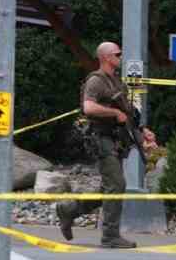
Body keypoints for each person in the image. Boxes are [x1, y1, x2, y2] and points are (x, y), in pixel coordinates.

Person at [57, 42, 157, 249]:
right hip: (101, 139)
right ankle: (110, 236)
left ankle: (69, 210)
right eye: (117, 54)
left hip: (116, 140)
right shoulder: (96, 80)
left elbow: (128, 115)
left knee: (108, 188)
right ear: (105, 57)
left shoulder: (117, 82)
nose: (120, 56)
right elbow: (89, 107)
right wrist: (114, 113)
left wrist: (143, 132)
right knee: (117, 185)